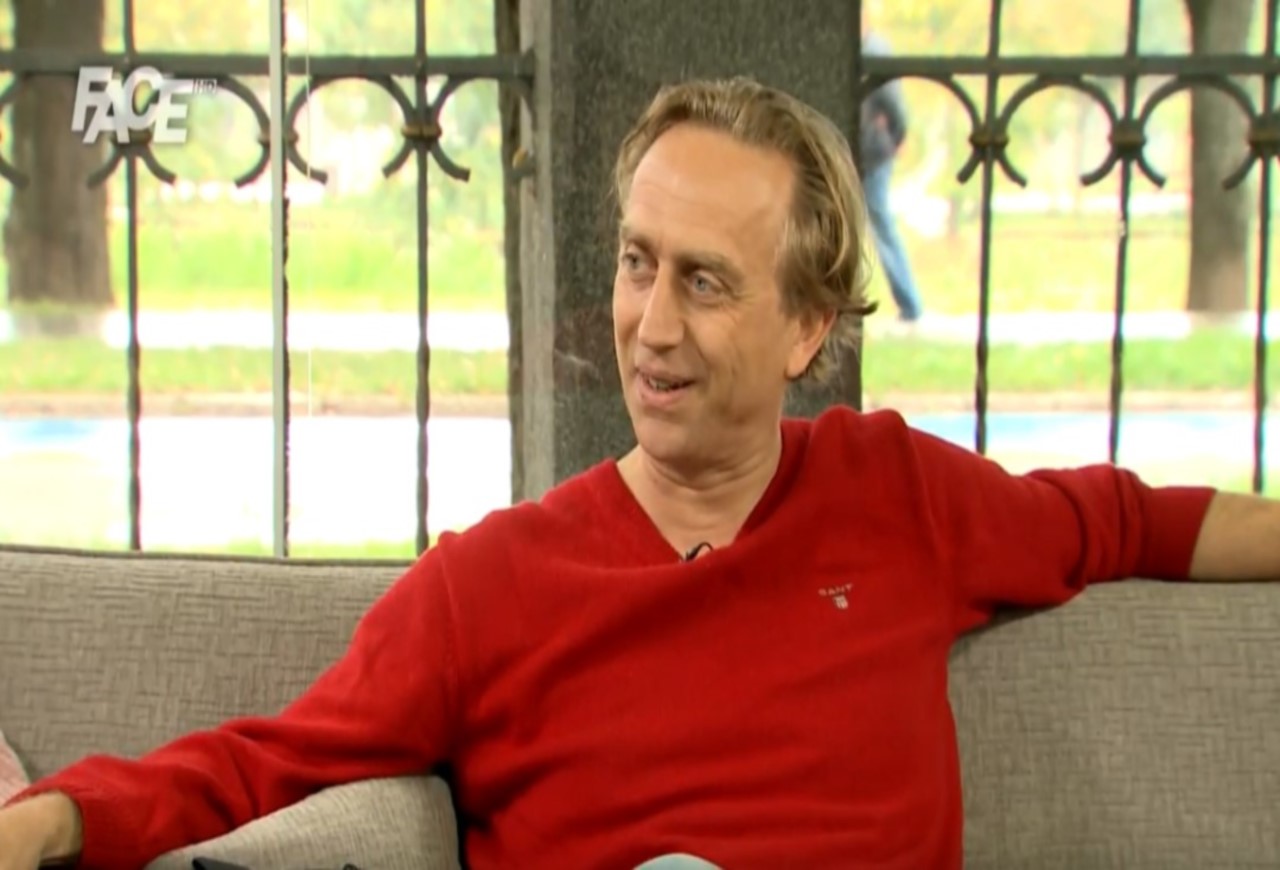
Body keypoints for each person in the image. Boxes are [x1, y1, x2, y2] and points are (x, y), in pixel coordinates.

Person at [2, 77, 1277, 870]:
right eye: (635, 263)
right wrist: (56, 817)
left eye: (703, 281)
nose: (649, 325)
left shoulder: (900, 497)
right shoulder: (493, 586)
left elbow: (1127, 523)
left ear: (806, 329)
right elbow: (267, 762)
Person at [859, 31, 925, 322]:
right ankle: (908, 302)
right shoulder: (871, 48)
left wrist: (896, 136)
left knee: (880, 224)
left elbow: (892, 102)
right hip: (870, 147)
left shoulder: (873, 50)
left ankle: (909, 302)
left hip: (871, 150)